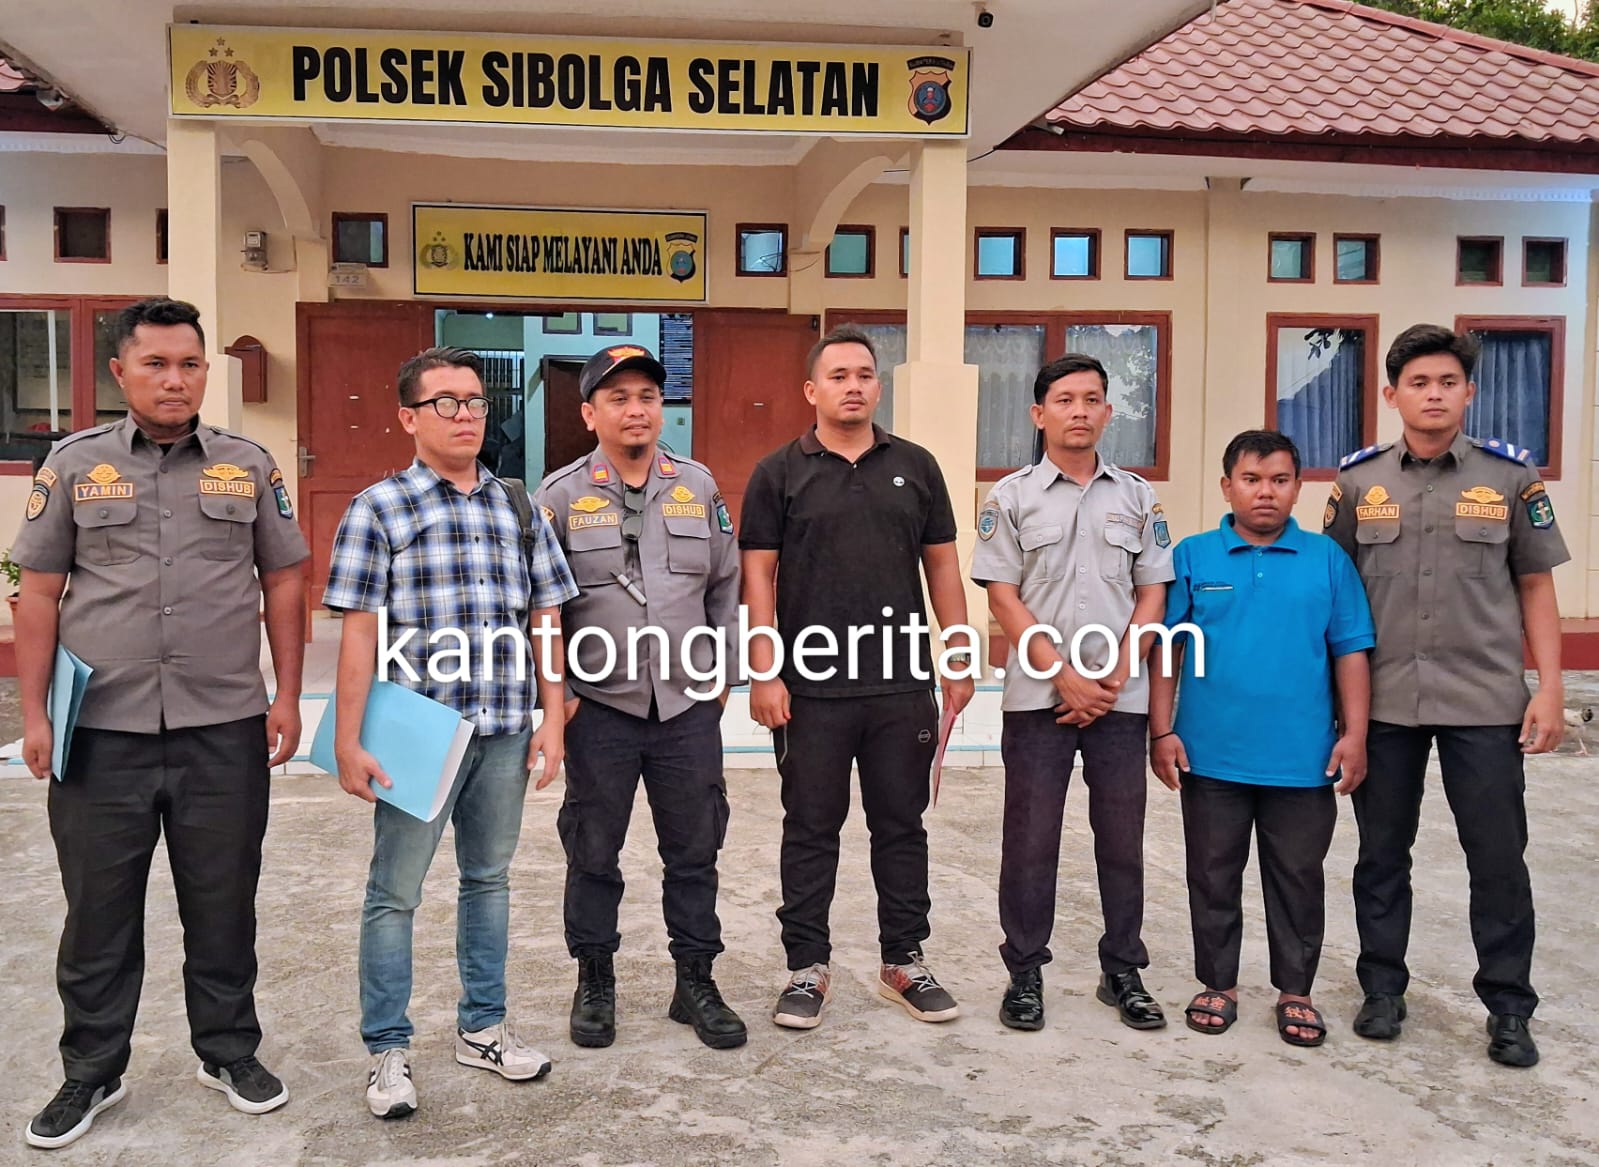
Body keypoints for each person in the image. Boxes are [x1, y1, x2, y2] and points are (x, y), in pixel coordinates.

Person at [13, 296, 308, 1148]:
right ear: (120, 372)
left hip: (223, 727)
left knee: (223, 901)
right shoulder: (74, 465)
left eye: (188, 364)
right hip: (100, 733)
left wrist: (287, 695)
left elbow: (284, 580)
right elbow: (38, 593)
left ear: (205, 371)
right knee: (98, 910)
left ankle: (229, 1050)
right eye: (155, 364)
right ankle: (91, 1069)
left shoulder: (247, 465)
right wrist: (34, 714)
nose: (174, 379)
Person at [323, 346, 577, 1118]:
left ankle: (482, 1027)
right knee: (394, 892)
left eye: (474, 401)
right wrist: (347, 738)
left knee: (488, 880)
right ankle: (387, 1048)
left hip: (503, 727)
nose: (465, 414)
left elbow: (545, 616)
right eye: (445, 402)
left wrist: (553, 714)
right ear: (408, 417)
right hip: (418, 731)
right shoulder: (378, 509)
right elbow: (359, 634)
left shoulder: (518, 508)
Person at [1324, 323, 1568, 1068]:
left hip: (1484, 702)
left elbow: (1536, 586)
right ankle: (1382, 989)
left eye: (1448, 382)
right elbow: (1332, 595)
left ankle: (1508, 1006)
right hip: (1384, 703)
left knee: (1497, 859)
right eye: (1419, 383)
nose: (1434, 395)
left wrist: (1549, 688)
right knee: (1380, 854)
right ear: (1391, 394)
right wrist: (1334, 705)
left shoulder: (1511, 478)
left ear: (1468, 392)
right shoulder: (1358, 483)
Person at [740, 324, 976, 1030]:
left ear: (878, 386)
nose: (853, 386)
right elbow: (758, 574)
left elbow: (941, 565)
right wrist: (764, 670)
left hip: (900, 684)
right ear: (811, 390)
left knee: (901, 825)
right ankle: (806, 967)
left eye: (864, 375)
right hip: (810, 688)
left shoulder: (917, 466)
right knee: (810, 827)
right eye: (838, 375)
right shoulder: (778, 472)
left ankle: (903, 960)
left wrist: (957, 653)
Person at [535, 343, 746, 1051]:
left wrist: (722, 672)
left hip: (687, 704)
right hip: (600, 707)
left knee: (695, 847)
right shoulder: (559, 497)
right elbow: (542, 607)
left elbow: (725, 586)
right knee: (593, 851)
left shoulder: (697, 486)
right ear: (589, 413)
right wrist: (558, 693)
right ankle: (595, 979)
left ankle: (696, 981)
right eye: (618, 398)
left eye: (647, 397)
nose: (635, 409)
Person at [970, 353, 1174, 1033]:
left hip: (1120, 698)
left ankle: (1123, 970)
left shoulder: (1137, 497)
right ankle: (1024, 971)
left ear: (1108, 412)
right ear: (1039, 413)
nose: (1078, 411)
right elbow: (1002, 596)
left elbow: (1152, 592)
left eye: (1091, 399)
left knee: (1121, 838)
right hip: (1039, 697)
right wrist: (1063, 674)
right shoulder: (1010, 497)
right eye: (1064, 399)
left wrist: (1114, 674)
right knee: (1030, 840)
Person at [1149, 430, 1374, 1047]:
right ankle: (1217, 983)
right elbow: (1167, 650)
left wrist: (1355, 734)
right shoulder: (1194, 557)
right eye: (1251, 480)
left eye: (1279, 480)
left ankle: (1296, 991)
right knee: (1212, 874)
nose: (1265, 492)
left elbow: (1351, 650)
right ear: (1228, 487)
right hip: (1210, 755)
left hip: (1302, 759)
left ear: (1298, 488)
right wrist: (1161, 729)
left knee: (1298, 876)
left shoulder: (1327, 560)